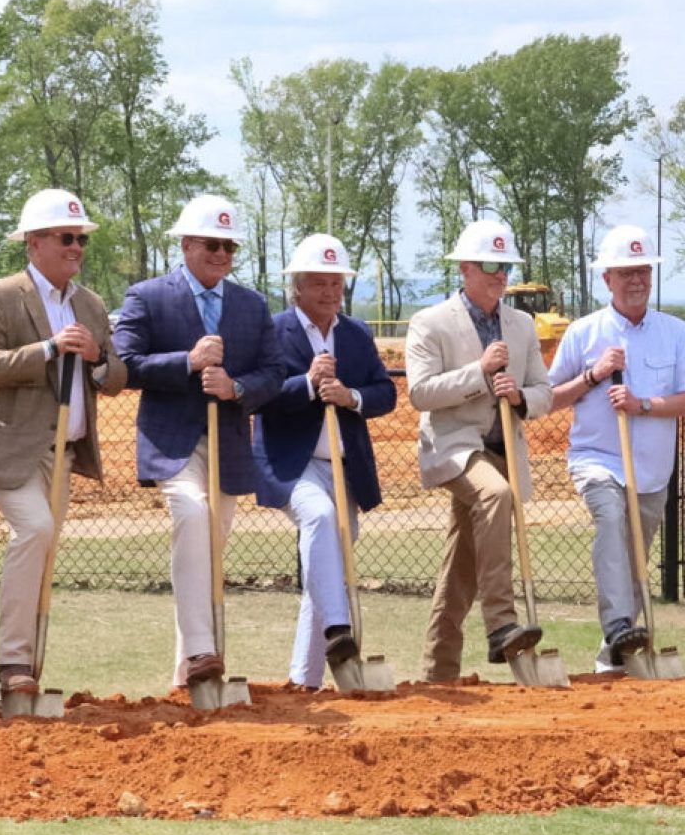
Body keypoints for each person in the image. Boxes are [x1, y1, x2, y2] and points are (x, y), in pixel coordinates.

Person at [113, 194, 284, 687]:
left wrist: (237, 388)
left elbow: (274, 372)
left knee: (208, 551)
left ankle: (187, 676)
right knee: (189, 515)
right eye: (212, 244)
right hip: (172, 443)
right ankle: (205, 650)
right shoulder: (148, 297)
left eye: (230, 246)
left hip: (227, 443)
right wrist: (186, 362)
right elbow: (126, 366)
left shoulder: (251, 305)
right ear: (186, 244)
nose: (222, 255)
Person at [0, 189, 127, 697]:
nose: (76, 247)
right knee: (34, 531)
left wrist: (97, 357)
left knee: (46, 548)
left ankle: (22, 680)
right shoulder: (0, 295)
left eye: (80, 239)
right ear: (34, 243)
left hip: (63, 451)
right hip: (10, 447)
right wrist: (51, 348)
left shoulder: (90, 303)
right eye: (66, 237)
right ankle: (12, 663)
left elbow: (117, 377)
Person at [405, 219, 553, 681]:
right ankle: (501, 624)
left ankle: (438, 670)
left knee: (461, 566)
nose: (499, 274)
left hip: (504, 447)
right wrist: (480, 372)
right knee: (495, 495)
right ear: (466, 268)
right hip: (455, 448)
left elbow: (543, 391)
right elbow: (420, 393)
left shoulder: (522, 325)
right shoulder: (430, 323)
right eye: (490, 264)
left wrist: (519, 396)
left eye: (505, 265)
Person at [252, 234, 397, 689]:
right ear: (297, 286)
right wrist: (309, 385)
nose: (330, 293)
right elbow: (260, 395)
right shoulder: (273, 333)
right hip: (293, 464)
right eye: (319, 284)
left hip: (343, 464)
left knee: (327, 564)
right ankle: (340, 627)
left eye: (336, 284)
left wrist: (350, 397)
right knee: (318, 518)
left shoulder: (355, 334)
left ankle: (305, 680)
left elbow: (385, 392)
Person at [549, 225, 685, 672]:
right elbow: (549, 399)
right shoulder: (583, 333)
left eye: (643, 271)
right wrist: (593, 375)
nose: (637, 281)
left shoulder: (675, 333)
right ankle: (617, 625)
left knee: (636, 565)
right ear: (607, 279)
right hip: (598, 460)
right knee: (609, 518)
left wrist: (641, 404)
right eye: (626, 273)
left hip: (651, 470)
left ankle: (613, 658)